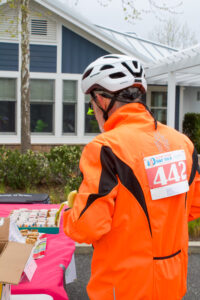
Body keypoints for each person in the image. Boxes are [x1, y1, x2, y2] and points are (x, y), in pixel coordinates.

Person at [63, 54, 200, 300]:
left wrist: (69, 214)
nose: (93, 111)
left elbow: (87, 226)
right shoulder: (183, 144)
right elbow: (193, 206)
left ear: (103, 99)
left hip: (124, 287)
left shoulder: (106, 147)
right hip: (172, 282)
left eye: (91, 104)